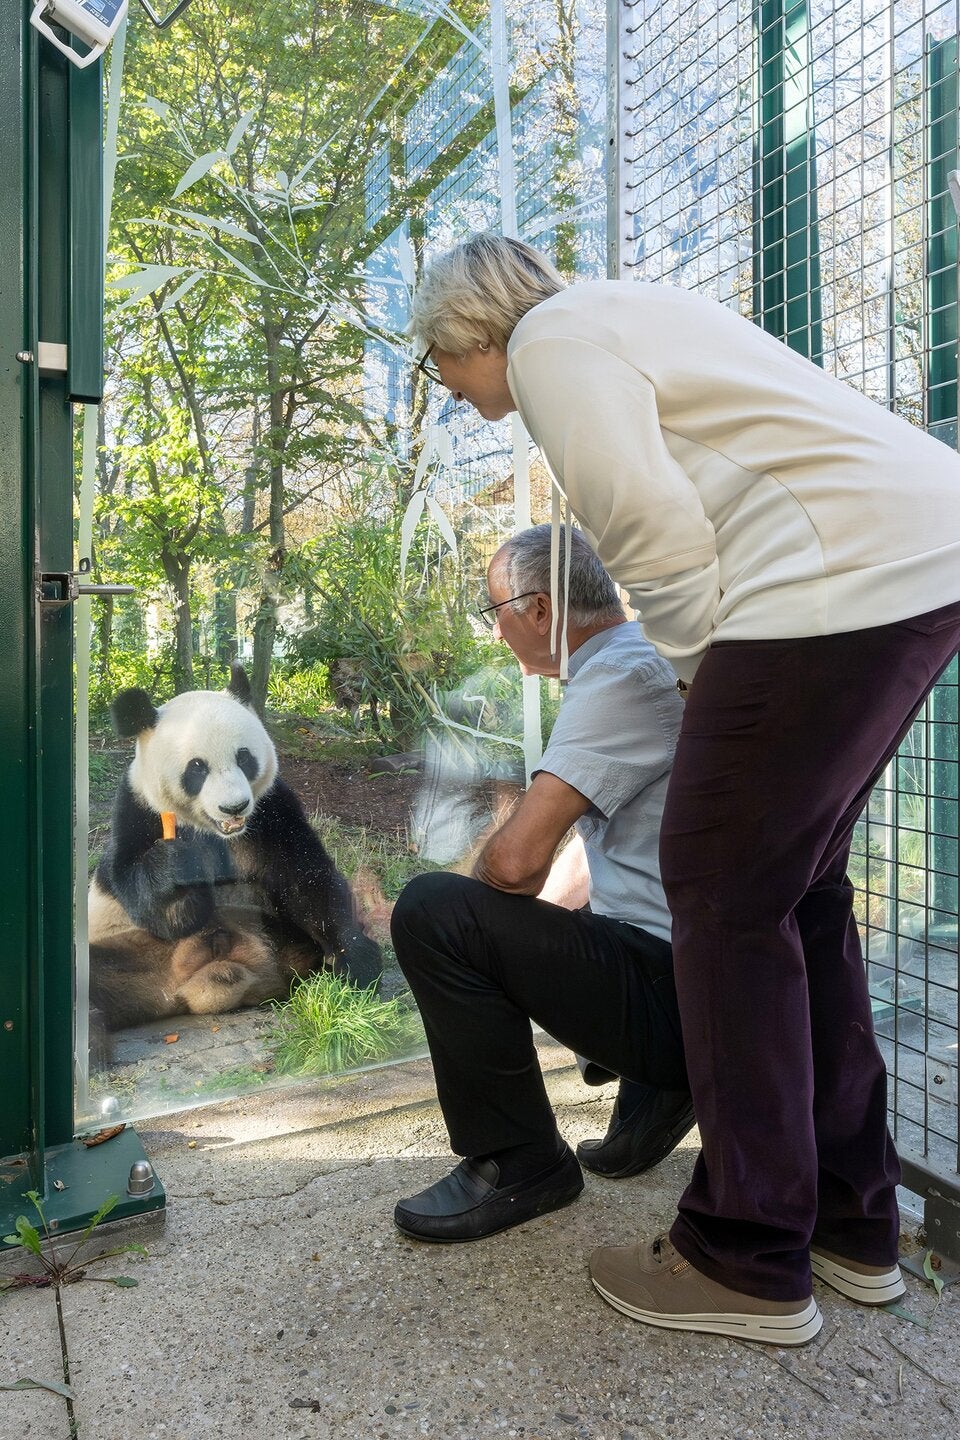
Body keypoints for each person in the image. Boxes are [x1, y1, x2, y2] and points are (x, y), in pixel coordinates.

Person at [407, 233, 960, 1347]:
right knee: (798, 901)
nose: (452, 387)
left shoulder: (555, 340)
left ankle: (746, 1258)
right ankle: (853, 1226)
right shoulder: (620, 318)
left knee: (720, 895)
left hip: (823, 585)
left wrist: (705, 679)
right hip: (903, 561)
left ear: (474, 330)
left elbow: (651, 531)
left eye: (438, 364)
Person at [391, 524, 694, 1244]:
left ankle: (521, 1160)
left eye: (493, 612)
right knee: (487, 915)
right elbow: (604, 849)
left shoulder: (620, 680)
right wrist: (531, 936)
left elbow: (517, 863)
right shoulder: (641, 658)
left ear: (539, 609)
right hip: (685, 970)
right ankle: (662, 1088)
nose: (496, 634)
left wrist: (483, 912)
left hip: (673, 992)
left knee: (432, 912)